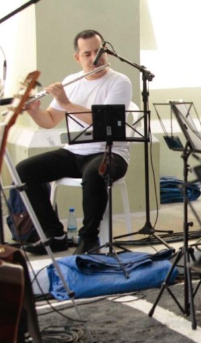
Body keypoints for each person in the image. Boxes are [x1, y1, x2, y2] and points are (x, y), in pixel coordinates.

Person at [19, 29, 133, 255]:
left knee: (94, 172)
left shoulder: (120, 82)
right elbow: (50, 120)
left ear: (107, 52)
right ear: (77, 57)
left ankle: (88, 238)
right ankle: (55, 235)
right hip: (75, 152)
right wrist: (33, 111)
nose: (94, 59)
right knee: (25, 170)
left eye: (99, 52)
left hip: (111, 153)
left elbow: (103, 122)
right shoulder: (71, 81)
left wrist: (67, 103)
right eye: (87, 54)